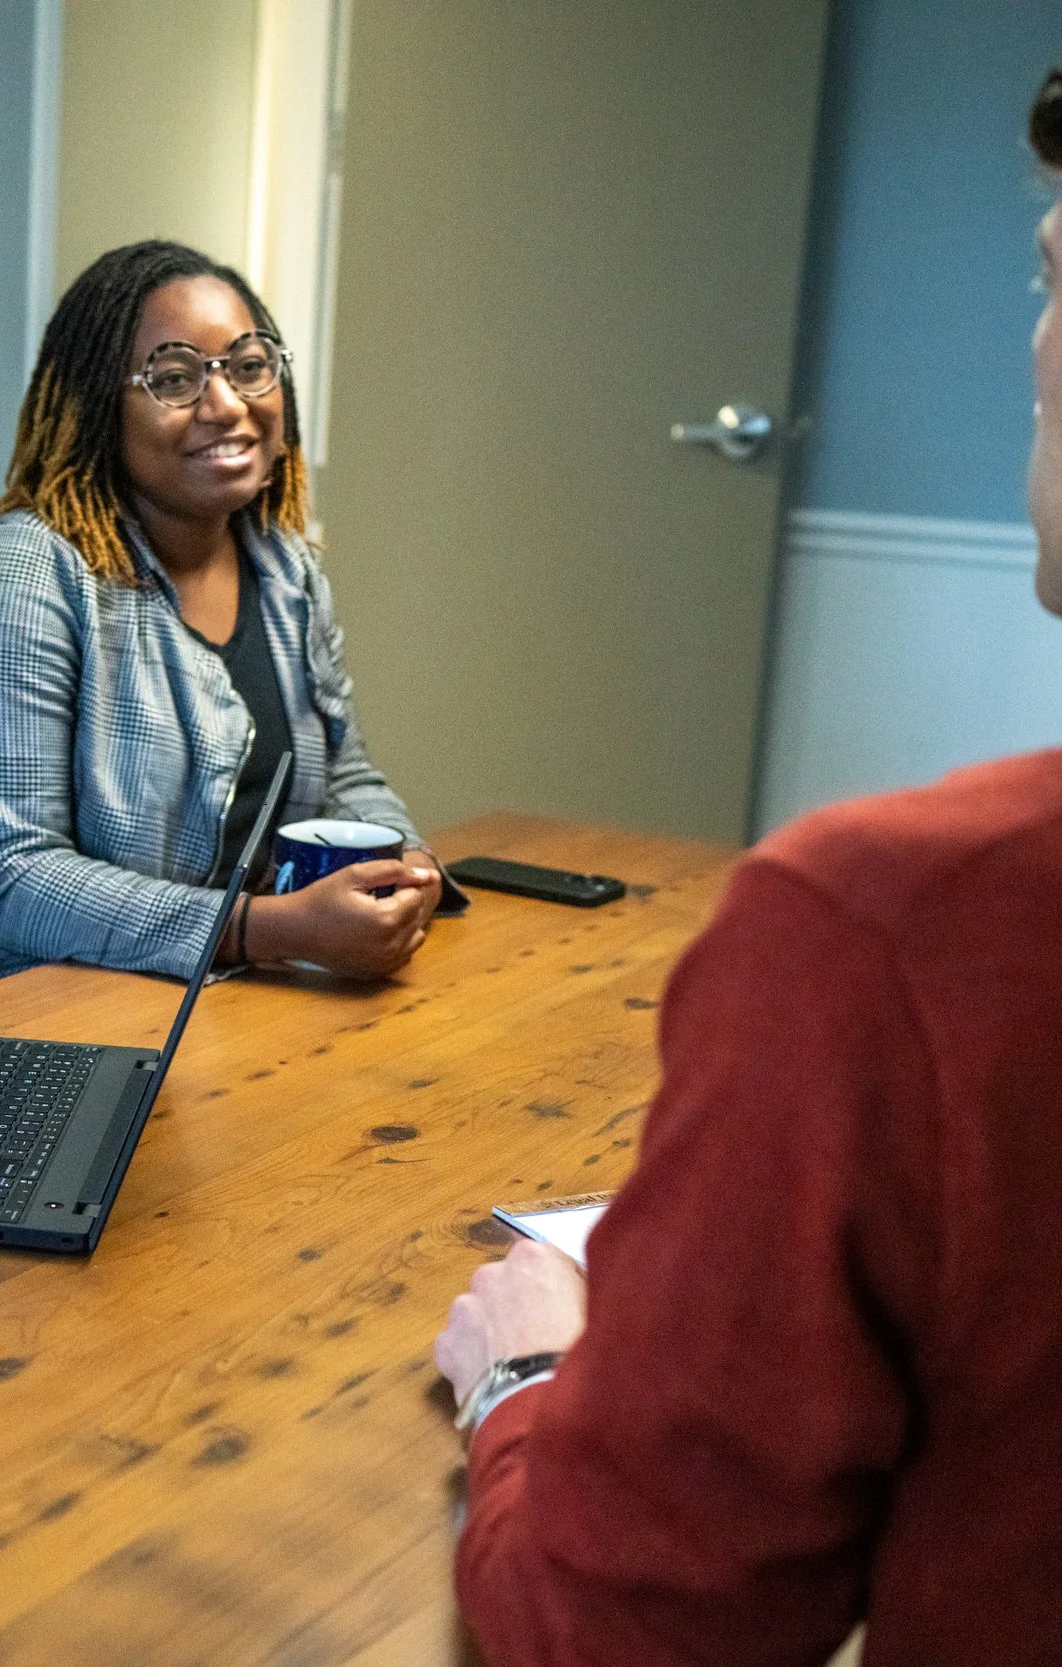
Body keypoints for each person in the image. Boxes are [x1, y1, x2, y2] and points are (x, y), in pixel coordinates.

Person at [433, 70, 1062, 1665]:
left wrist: (525, 1380)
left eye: (1058, 278)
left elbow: (611, 1631)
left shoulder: (890, 935)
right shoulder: (27, 581)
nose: (1039, 340)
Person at [0, 240, 442, 1013]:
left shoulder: (288, 571)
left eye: (249, 366)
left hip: (200, 991)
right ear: (95, 409)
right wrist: (262, 928)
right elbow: (8, 874)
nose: (227, 405)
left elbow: (342, 779)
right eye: (174, 379)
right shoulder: (19, 572)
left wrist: (407, 870)